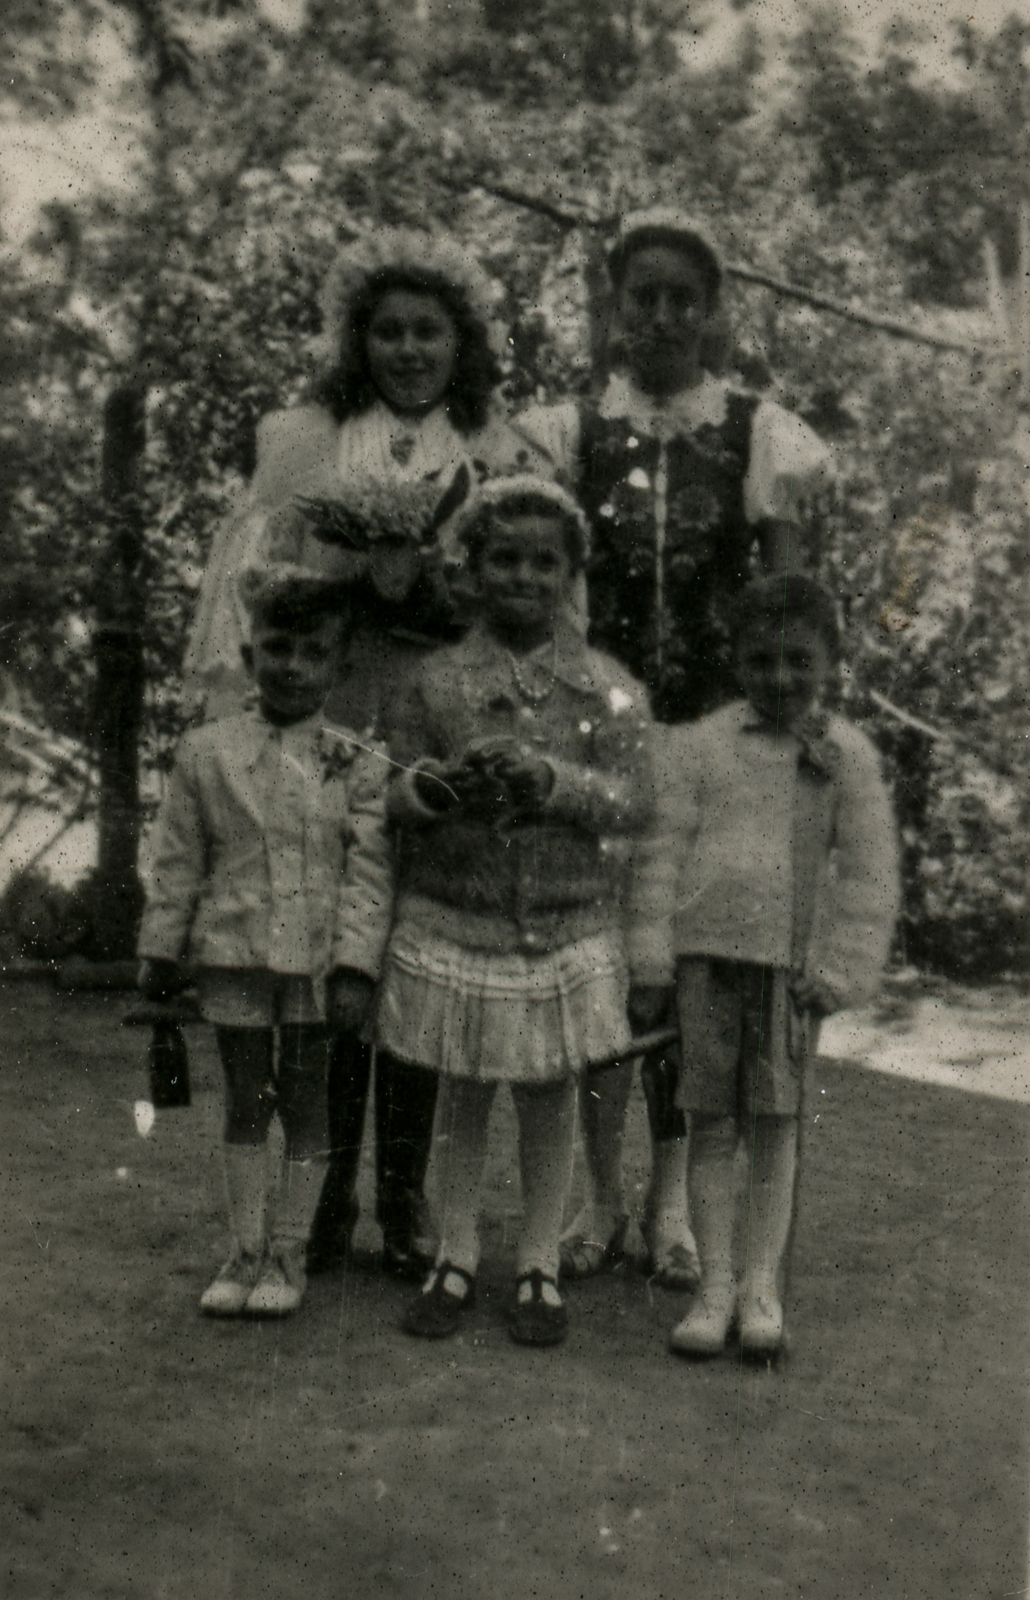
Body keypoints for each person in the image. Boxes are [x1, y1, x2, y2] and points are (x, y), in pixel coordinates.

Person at [184, 227, 547, 1281]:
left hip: (440, 717)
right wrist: (351, 582)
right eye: (387, 331)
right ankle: (328, 1189)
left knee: (420, 943)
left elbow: (521, 597)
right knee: (333, 945)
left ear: (461, 341)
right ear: (358, 339)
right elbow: (264, 592)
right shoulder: (308, 441)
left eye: (429, 330)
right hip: (334, 715)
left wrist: (435, 589)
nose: (408, 349)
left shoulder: (498, 449)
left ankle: (405, 1196)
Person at [517, 208, 835, 1289]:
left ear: (710, 312)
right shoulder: (566, 431)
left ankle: (669, 1203)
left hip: (710, 742)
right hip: (597, 735)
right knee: (598, 962)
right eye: (641, 297)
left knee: (691, 970)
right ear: (615, 308)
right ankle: (597, 1197)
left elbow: (785, 602)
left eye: (680, 299)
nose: (659, 316)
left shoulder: (757, 433)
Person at [375, 477, 661, 1346]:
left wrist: (555, 782)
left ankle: (539, 1259)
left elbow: (635, 801)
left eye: (545, 563)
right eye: (504, 559)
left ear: (571, 574)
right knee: (462, 1089)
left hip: (563, 925)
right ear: (471, 568)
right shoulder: (434, 683)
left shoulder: (607, 689)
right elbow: (389, 788)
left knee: (547, 1092)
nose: (524, 578)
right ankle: (455, 1251)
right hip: (458, 917)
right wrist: (436, 788)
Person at [632, 575, 899, 1356]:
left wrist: (842, 969)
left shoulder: (844, 754)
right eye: (761, 660)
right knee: (711, 1126)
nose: (779, 677)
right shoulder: (704, 744)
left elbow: (869, 871)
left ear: (830, 661)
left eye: (798, 660)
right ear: (737, 660)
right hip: (707, 964)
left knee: (777, 1130)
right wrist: (651, 963)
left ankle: (760, 1290)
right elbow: (661, 855)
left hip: (789, 971)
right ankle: (713, 1289)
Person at [137, 566, 393, 1318]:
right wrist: (161, 947)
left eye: (313, 652)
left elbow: (368, 873)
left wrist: (355, 966)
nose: (292, 665)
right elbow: (179, 858)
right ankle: (244, 1249)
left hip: (314, 960)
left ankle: (289, 1252)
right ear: (250, 656)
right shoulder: (206, 752)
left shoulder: (356, 759)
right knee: (247, 1097)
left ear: (338, 666)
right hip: (235, 950)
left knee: (308, 1099)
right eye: (277, 647)